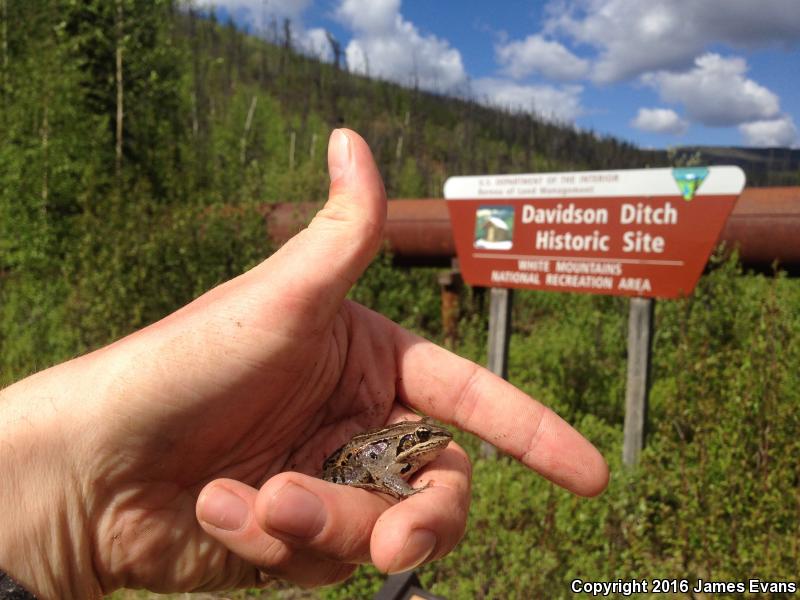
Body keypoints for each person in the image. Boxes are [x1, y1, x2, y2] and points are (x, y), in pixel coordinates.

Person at [0, 130, 609, 598]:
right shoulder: (399, 457)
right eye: (423, 436)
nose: (430, 441)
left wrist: (75, 500)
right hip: (343, 469)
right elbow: (386, 479)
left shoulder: (398, 448)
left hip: (327, 470)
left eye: (424, 439)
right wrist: (73, 493)